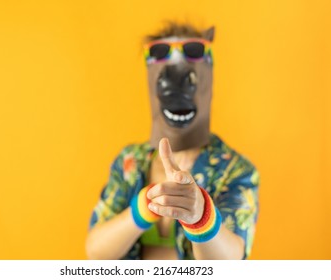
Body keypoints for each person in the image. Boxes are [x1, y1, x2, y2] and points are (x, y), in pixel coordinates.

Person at [86, 22, 259, 260]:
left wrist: (201, 217)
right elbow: (96, 251)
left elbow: (230, 261)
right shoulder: (130, 162)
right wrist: (144, 207)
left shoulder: (235, 169)